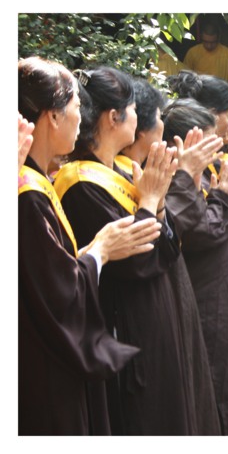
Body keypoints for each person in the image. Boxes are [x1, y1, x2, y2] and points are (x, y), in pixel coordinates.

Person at [17, 56, 163, 435]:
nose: (81, 118)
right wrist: (99, 250)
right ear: (53, 116)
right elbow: (58, 292)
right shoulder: (29, 192)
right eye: (76, 107)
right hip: (46, 371)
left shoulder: (38, 182)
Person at [52, 66, 192, 435]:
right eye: (132, 109)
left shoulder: (124, 170)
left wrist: (157, 205)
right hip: (126, 324)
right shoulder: (79, 182)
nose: (138, 117)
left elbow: (167, 250)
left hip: (155, 315)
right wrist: (149, 200)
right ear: (114, 117)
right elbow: (137, 263)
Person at [118, 79, 222, 435]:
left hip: (172, 297)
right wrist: (182, 178)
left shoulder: (141, 172)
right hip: (146, 312)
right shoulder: (98, 179)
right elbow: (186, 231)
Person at [162, 97, 228, 435]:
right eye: (210, 141)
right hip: (206, 293)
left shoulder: (205, 173)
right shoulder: (171, 178)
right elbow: (204, 232)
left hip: (226, 285)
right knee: (221, 384)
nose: (220, 146)